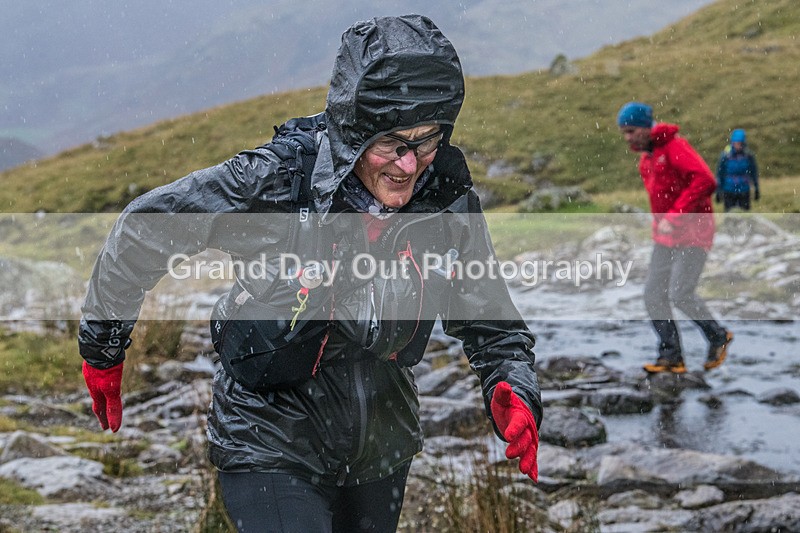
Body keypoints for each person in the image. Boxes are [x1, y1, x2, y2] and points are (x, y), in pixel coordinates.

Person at [78, 15, 542, 533]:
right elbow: (144, 229)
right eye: (391, 142)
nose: (409, 165)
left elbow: (492, 323)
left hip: (382, 451)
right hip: (267, 442)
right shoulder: (273, 183)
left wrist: (513, 386)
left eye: (427, 140)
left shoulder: (447, 204)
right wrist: (104, 349)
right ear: (354, 131)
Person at [616, 101, 733, 374]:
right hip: (666, 238)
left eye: (631, 131)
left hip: (694, 232)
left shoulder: (674, 147)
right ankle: (671, 357)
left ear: (645, 127)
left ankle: (718, 336)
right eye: (624, 132)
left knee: (680, 293)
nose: (628, 138)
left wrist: (675, 216)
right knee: (653, 295)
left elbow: (705, 180)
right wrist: (661, 224)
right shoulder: (647, 158)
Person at [716, 128, 759, 211]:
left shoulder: (748, 156)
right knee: (729, 216)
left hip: (744, 190)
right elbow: (720, 173)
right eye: (736, 143)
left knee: (744, 216)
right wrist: (718, 190)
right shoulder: (725, 156)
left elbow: (753, 172)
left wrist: (756, 188)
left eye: (739, 143)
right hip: (729, 190)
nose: (737, 145)